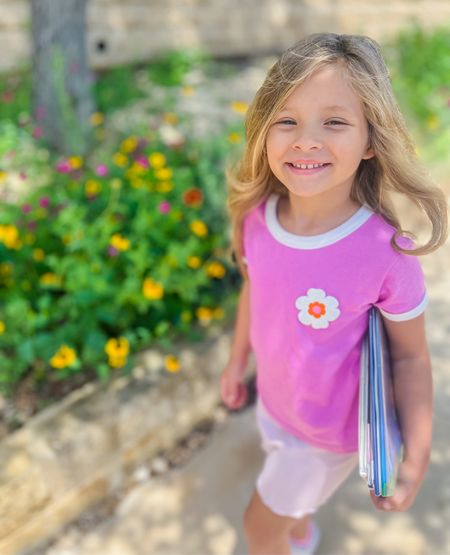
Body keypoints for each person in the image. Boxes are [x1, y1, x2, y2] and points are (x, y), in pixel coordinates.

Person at [219, 32, 448, 555]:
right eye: (287, 120)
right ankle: (303, 535)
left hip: (327, 434)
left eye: (335, 121)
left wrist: (416, 454)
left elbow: (411, 359)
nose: (306, 140)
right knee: (291, 508)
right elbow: (255, 295)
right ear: (264, 130)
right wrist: (237, 364)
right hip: (276, 406)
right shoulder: (259, 220)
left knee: (260, 529)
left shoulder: (387, 253)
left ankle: (290, 535)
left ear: (371, 139)